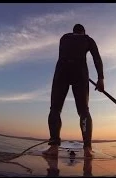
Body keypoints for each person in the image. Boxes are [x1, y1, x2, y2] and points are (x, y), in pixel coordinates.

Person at [43, 24, 105, 158]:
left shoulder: (64, 38)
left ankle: (53, 147)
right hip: (80, 72)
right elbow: (96, 58)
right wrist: (100, 78)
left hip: (62, 71)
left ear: (73, 31)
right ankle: (87, 149)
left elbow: (67, 52)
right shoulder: (88, 40)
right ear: (83, 32)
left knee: (55, 108)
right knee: (84, 111)